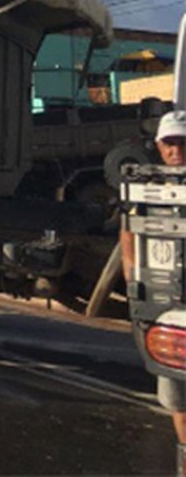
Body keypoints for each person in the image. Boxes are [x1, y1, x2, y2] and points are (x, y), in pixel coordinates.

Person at [120, 111, 186, 456]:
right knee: (180, 401)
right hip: (170, 310)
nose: (177, 150)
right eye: (170, 143)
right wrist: (134, 283)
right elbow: (129, 234)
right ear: (159, 147)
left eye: (183, 143)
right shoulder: (148, 190)